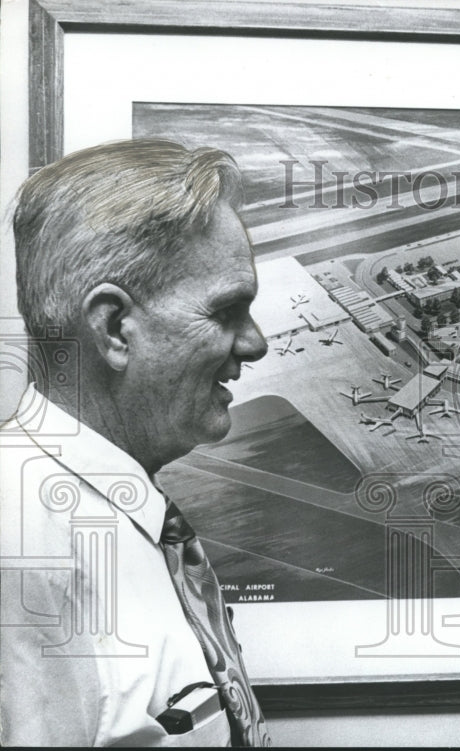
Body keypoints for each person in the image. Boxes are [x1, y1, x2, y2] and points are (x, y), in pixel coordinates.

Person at [0, 140, 271, 746]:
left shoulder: (110, 515)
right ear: (115, 329)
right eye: (228, 310)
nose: (256, 344)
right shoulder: (19, 548)